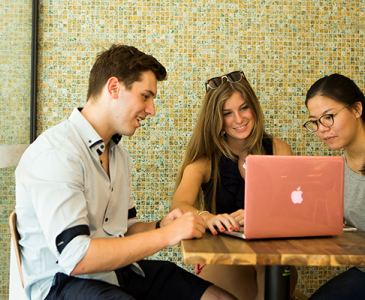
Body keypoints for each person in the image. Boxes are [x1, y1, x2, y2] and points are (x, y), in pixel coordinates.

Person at [15, 44, 238, 300]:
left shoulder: (118, 155)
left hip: (113, 273)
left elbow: (125, 229)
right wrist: (167, 235)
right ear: (113, 87)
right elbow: (77, 258)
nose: (152, 110)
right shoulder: (56, 154)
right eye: (145, 96)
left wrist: (161, 225)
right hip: (64, 284)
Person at [170, 71, 297, 300]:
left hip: (272, 255)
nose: (238, 119)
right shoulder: (205, 160)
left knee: (273, 272)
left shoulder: (279, 149)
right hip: (222, 254)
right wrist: (207, 217)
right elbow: (178, 207)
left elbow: (295, 205)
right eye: (227, 113)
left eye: (244, 108)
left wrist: (260, 217)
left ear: (254, 108)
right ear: (216, 118)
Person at [303, 73, 365, 300]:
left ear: (357, 109)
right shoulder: (336, 170)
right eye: (315, 121)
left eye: (328, 117)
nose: (321, 129)